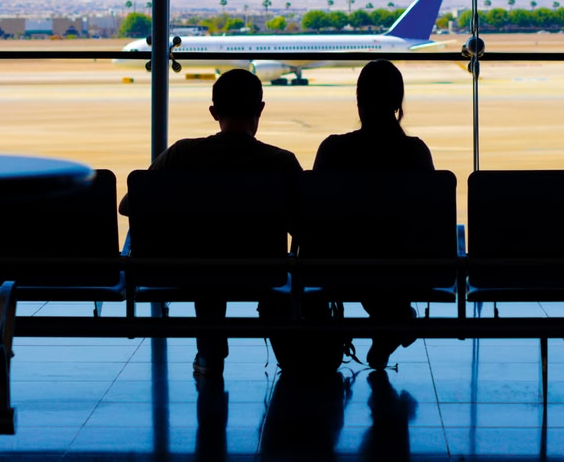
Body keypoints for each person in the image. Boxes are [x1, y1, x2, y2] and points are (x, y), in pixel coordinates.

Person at [119, 68, 302, 378]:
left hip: (190, 268)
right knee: (234, 250)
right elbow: (304, 221)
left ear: (214, 112)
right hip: (260, 269)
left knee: (206, 250)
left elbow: (130, 205)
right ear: (260, 109)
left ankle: (210, 348)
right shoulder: (280, 162)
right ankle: (285, 344)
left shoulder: (180, 154)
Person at [311, 59, 434, 370]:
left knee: (358, 248)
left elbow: (312, 217)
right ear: (398, 102)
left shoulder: (332, 150)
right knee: (385, 250)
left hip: (339, 266)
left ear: (358, 100)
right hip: (406, 267)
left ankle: (392, 322)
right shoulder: (416, 153)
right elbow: (428, 218)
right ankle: (393, 320)